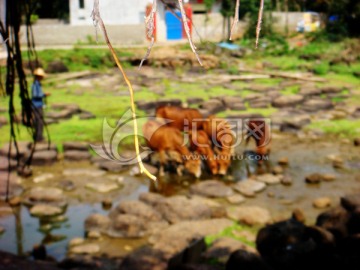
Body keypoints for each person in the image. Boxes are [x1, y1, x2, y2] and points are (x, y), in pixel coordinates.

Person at [31, 68, 49, 142]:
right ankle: (38, 138)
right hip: (37, 105)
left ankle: (38, 136)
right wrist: (44, 94)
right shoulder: (35, 84)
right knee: (39, 122)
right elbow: (35, 95)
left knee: (39, 121)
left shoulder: (37, 84)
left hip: (38, 105)